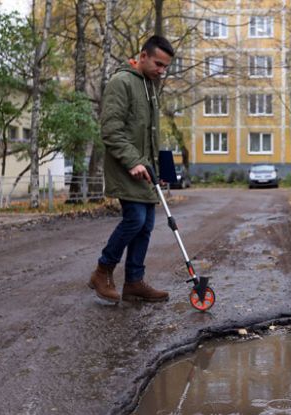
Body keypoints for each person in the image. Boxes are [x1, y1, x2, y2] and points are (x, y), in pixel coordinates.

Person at [89, 35, 174, 304]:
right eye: (158, 64)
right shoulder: (121, 82)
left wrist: (160, 168)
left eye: (165, 67)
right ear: (143, 55)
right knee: (135, 219)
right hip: (128, 167)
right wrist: (133, 161)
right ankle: (102, 272)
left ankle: (134, 282)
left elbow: (149, 135)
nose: (162, 70)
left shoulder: (150, 86)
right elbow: (111, 130)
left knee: (146, 224)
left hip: (145, 168)